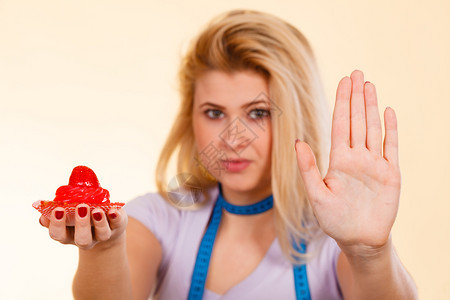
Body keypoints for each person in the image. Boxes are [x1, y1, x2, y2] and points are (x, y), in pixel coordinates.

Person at [39, 9, 418, 300]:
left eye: (258, 113)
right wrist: (102, 248)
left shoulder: (335, 236)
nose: (233, 139)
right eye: (214, 112)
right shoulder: (159, 217)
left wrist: (369, 253)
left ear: (295, 117)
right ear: (191, 117)